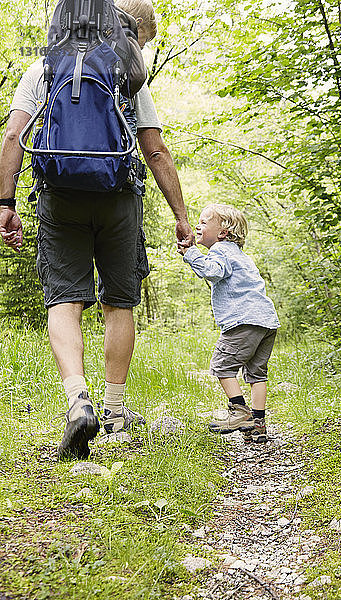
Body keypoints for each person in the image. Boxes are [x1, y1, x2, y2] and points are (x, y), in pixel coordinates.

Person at [0, 0, 194, 459]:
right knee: (118, 301)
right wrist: (181, 217)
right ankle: (116, 412)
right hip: (118, 197)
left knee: (64, 299)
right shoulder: (126, 72)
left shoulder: (44, 67)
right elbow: (156, 150)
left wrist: (5, 204)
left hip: (59, 193)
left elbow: (12, 138)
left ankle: (77, 402)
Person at [178, 204, 280, 443]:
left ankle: (240, 412)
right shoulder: (239, 255)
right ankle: (258, 423)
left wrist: (192, 253)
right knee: (257, 373)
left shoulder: (220, 250)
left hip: (243, 321)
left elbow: (212, 272)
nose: (197, 226)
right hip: (265, 321)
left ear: (223, 232)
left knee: (222, 365)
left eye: (204, 222)